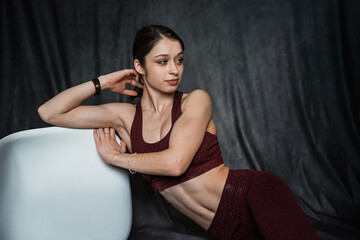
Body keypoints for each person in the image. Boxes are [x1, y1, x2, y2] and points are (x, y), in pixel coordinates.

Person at [38, 25, 319, 240]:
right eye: (162, 61)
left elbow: (175, 163)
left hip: (253, 197)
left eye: (179, 60)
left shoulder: (195, 101)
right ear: (140, 66)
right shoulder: (125, 117)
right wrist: (104, 81)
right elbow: (50, 112)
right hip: (223, 230)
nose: (174, 70)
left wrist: (117, 158)